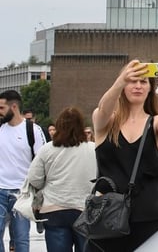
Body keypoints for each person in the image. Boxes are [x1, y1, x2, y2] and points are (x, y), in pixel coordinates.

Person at [92, 60, 158, 251]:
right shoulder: (107, 122)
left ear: (150, 88)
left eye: (144, 82)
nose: (138, 86)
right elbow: (102, 109)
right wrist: (120, 81)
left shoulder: (155, 122)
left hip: (148, 216)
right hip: (109, 216)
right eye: (132, 81)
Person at [26, 106, 96, 252]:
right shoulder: (93, 149)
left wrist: (45, 185)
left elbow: (34, 178)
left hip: (54, 208)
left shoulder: (47, 149)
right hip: (85, 208)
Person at [0, 90, 47, 252]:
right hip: (0, 190)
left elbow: (42, 161)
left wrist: (40, 194)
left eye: (2, 108)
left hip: (23, 192)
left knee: (21, 238)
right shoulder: (0, 128)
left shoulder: (33, 130)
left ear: (13, 107)